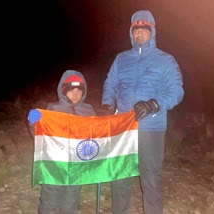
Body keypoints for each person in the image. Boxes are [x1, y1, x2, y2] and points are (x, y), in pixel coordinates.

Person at [99, 10, 184, 214]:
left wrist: (153, 104)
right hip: (122, 126)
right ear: (131, 33)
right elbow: (111, 84)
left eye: (144, 30)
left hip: (151, 127)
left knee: (151, 178)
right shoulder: (122, 59)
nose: (139, 33)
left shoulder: (166, 60)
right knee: (120, 176)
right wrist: (107, 105)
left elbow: (177, 91)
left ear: (152, 32)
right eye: (135, 30)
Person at [27, 70, 96, 214]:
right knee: (50, 200)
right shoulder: (52, 109)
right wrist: (33, 123)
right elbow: (41, 136)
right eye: (71, 91)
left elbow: (97, 134)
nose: (75, 94)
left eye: (79, 90)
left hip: (76, 166)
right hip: (55, 164)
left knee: (71, 202)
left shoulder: (88, 111)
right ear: (63, 91)